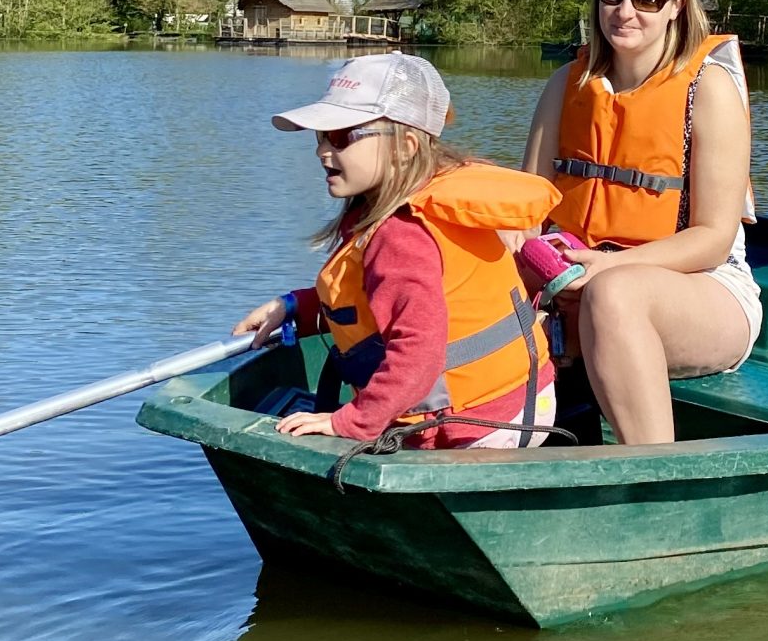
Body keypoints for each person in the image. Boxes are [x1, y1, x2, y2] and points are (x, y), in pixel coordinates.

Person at [235, 52, 563, 449]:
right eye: (320, 136)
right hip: (521, 399)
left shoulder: (401, 236)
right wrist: (295, 308)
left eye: (341, 137)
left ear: (406, 145)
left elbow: (418, 355)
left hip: (478, 425)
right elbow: (375, 305)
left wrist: (351, 423)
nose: (323, 151)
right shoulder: (418, 201)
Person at [522, 0, 758, 446]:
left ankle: (652, 477)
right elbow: (525, 211)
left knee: (614, 294)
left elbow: (713, 239)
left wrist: (609, 265)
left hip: (706, 289)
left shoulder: (709, 89)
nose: (625, 11)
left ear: (676, 5)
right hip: (577, 281)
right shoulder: (566, 84)